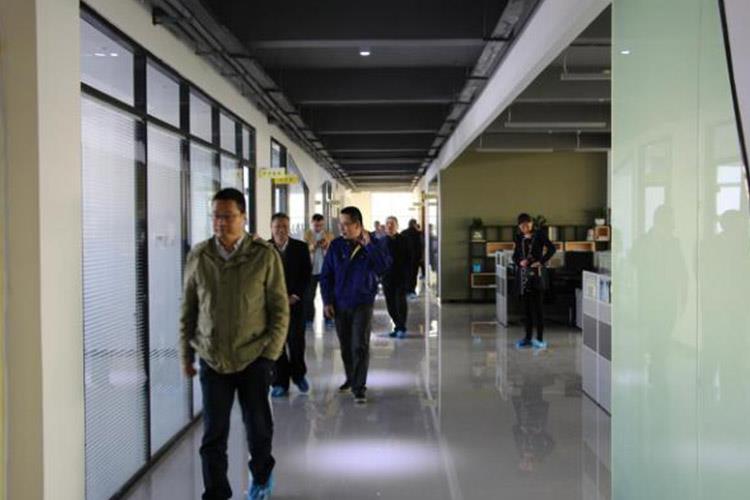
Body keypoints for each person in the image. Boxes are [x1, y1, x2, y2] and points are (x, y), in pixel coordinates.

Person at [180, 188, 289, 500]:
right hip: (212, 358)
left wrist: (270, 355)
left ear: (243, 217)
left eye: (227, 216)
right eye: (216, 216)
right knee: (213, 434)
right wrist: (186, 353)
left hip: (254, 357)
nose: (220, 222)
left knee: (258, 428)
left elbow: (280, 309)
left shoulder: (263, 256)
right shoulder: (199, 256)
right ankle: (216, 492)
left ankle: (262, 475)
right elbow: (188, 308)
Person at [320, 206, 391, 404]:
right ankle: (351, 378)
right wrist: (327, 301)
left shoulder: (374, 243)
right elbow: (326, 276)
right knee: (345, 345)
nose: (342, 228)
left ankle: (359, 387)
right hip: (340, 303)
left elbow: (384, 267)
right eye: (340, 224)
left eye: (346, 224)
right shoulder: (336, 246)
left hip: (362, 303)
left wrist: (369, 246)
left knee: (359, 344)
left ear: (358, 225)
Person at [269, 213, 313, 398]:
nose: (281, 230)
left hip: (295, 304)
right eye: (277, 227)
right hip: (272, 306)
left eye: (284, 226)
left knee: (296, 342)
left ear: (289, 228)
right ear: (271, 228)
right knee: (276, 345)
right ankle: (280, 382)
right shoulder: (265, 249)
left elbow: (306, 275)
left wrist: (295, 295)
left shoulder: (300, 248)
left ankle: (299, 375)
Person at [512, 213, 556, 350]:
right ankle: (527, 337)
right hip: (523, 275)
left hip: (537, 275)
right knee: (526, 309)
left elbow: (552, 249)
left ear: (531, 224)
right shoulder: (518, 237)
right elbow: (515, 256)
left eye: (527, 225)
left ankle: (540, 338)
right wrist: (520, 262)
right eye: (522, 226)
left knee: (538, 308)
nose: (525, 228)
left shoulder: (539, 234)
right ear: (519, 227)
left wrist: (540, 262)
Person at [303, 214, 334, 327]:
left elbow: (332, 250)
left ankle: (328, 317)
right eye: (316, 225)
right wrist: (314, 245)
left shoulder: (329, 235)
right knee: (309, 295)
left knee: (327, 295)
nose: (318, 228)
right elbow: (305, 250)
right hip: (311, 269)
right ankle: (309, 318)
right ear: (312, 223)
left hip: (325, 269)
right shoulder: (307, 235)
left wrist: (326, 246)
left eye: (320, 225)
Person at [382, 216, 410, 339]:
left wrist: (408, 275)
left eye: (392, 223)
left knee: (400, 302)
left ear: (397, 226)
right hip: (387, 278)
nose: (389, 226)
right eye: (387, 223)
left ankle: (401, 327)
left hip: (401, 277)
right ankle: (397, 326)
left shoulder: (404, 240)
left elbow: (409, 258)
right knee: (390, 304)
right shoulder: (382, 241)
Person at [401, 218, 424, 298]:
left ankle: (406, 290)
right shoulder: (418, 233)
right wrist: (421, 256)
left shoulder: (403, 233)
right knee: (414, 274)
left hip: (405, 258)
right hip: (415, 258)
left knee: (407, 274)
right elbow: (421, 245)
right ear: (414, 224)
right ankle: (411, 290)